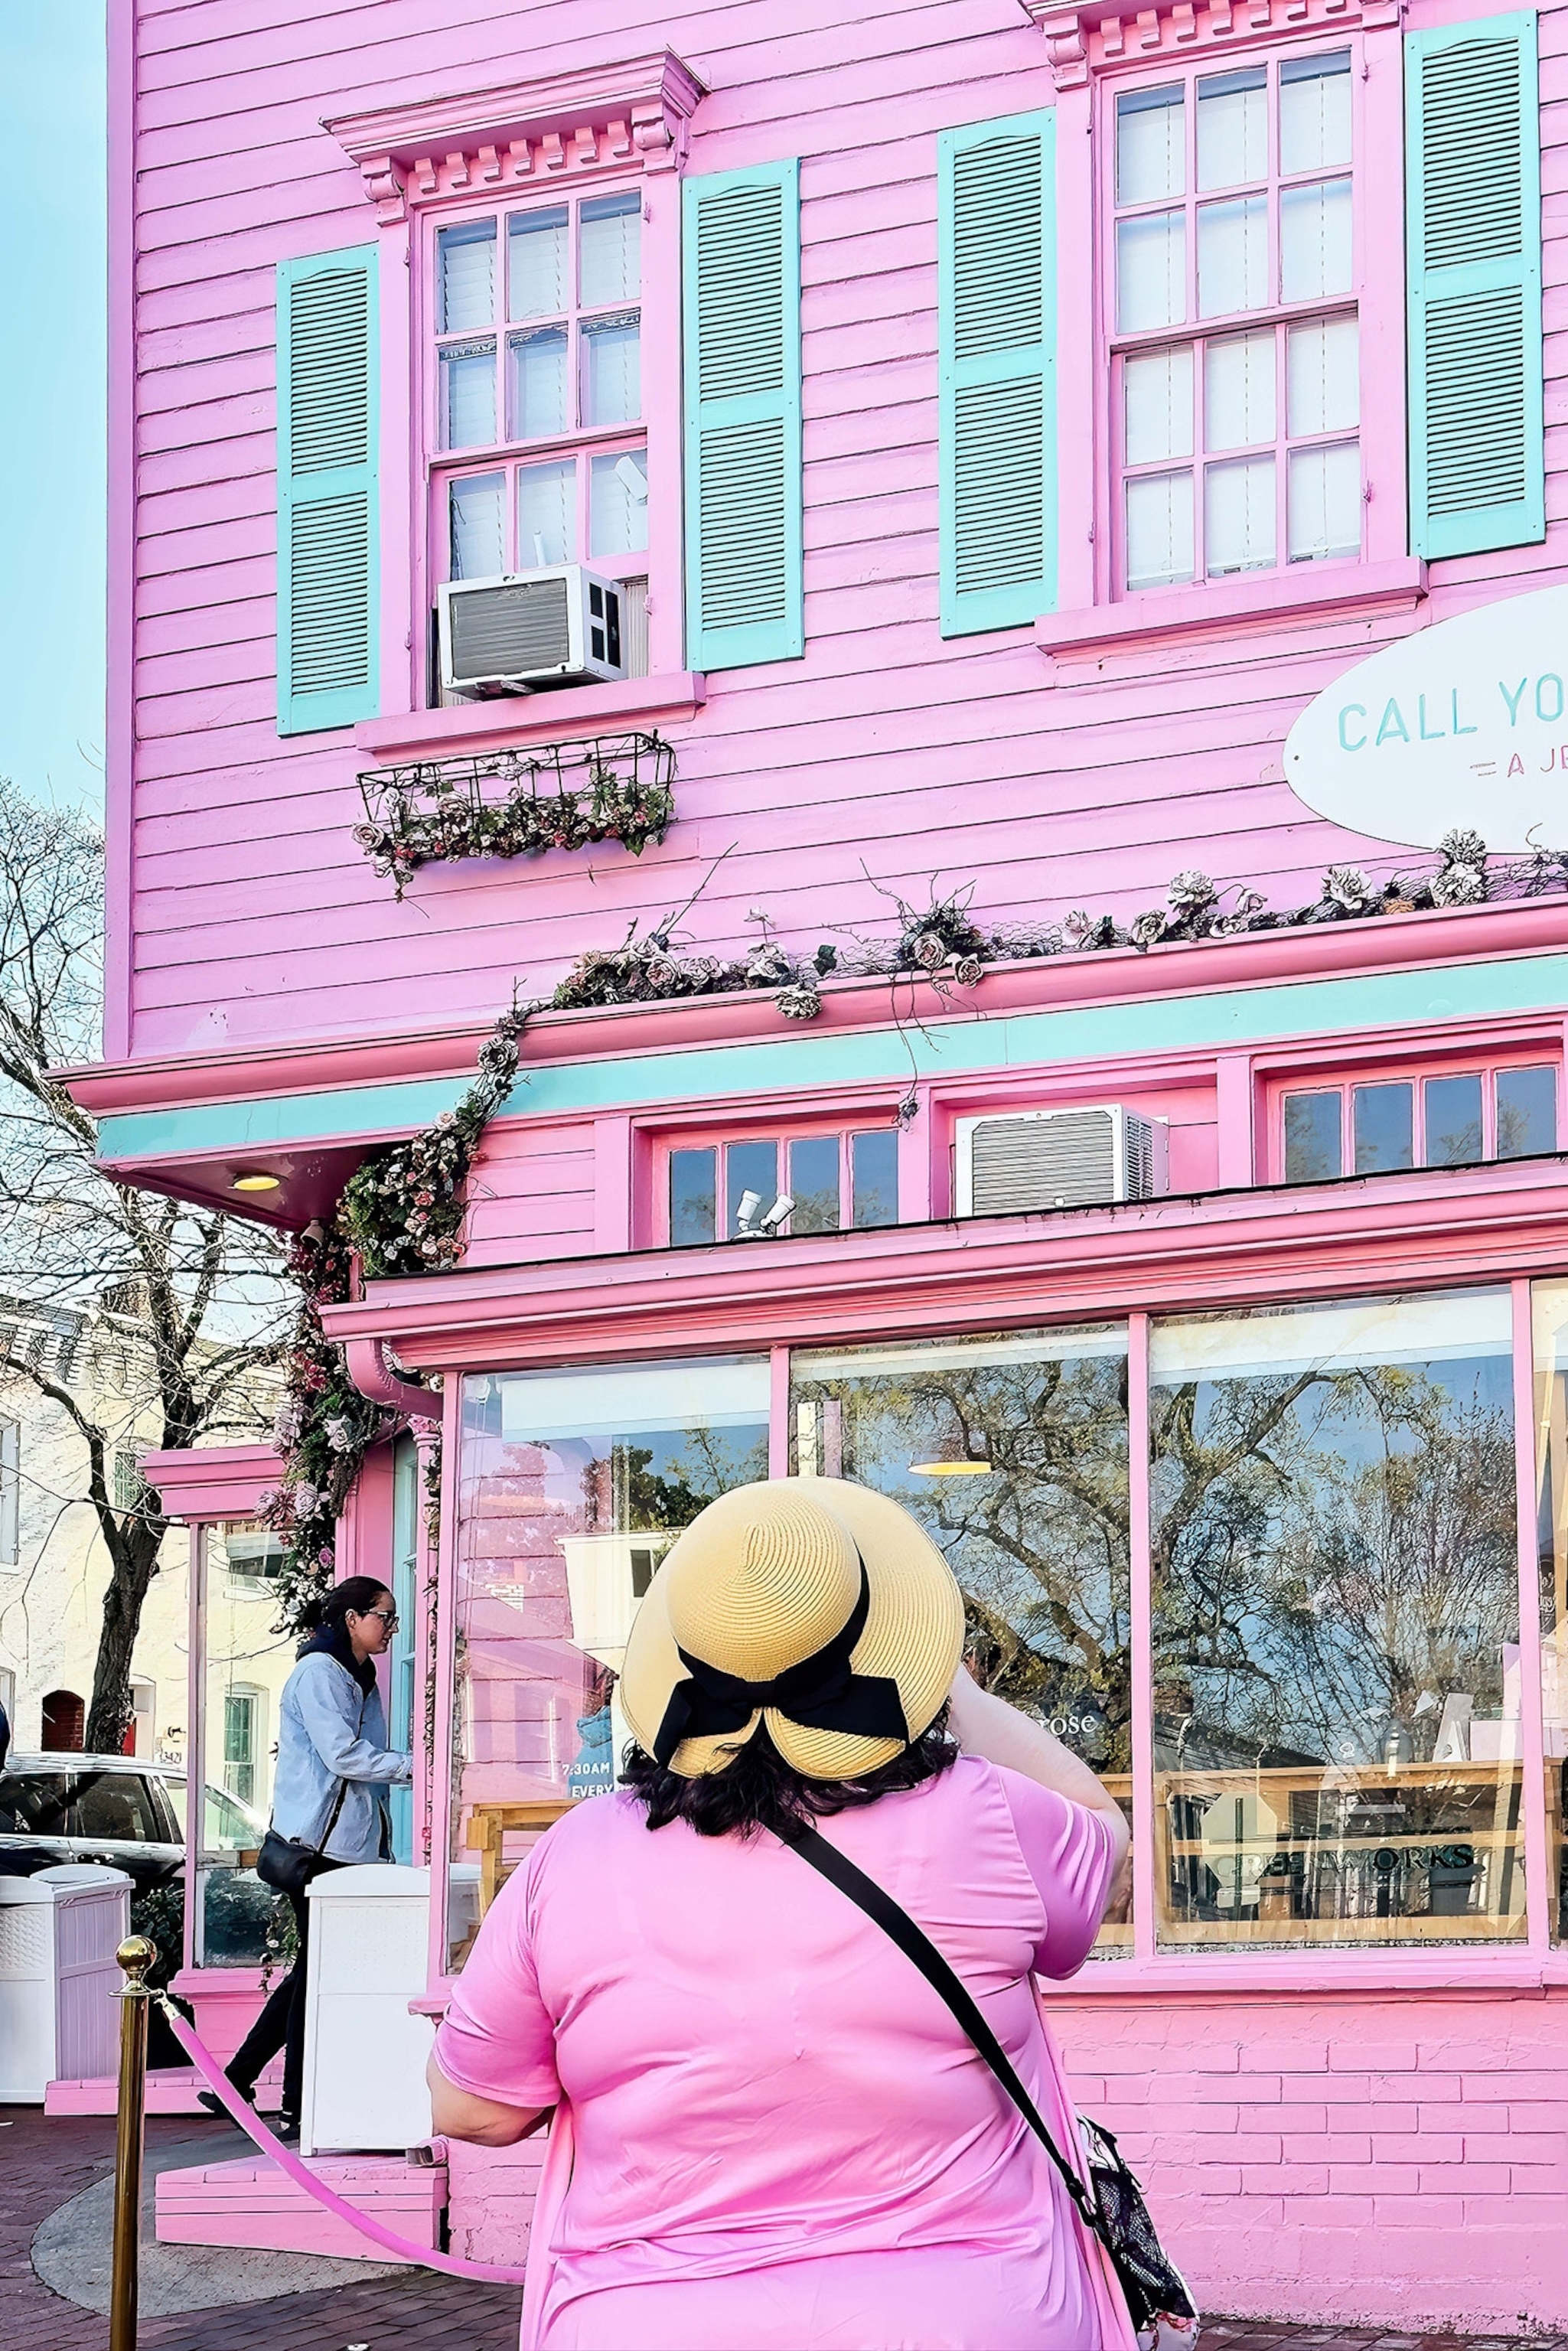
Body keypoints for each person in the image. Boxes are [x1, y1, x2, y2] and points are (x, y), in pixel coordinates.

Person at [429, 1479, 1135, 2351]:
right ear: (888, 1652)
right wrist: (950, 1696)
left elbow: (473, 2112)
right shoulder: (986, 1818)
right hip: (975, 2320)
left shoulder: (572, 1859)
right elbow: (1107, 1836)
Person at [200, 1575, 411, 2137]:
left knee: (311, 1973)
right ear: (351, 1619)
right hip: (315, 1847)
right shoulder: (319, 1673)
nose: (392, 1628)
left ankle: (237, 2081)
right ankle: (294, 2107)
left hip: (346, 1846)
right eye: (384, 1617)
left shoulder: (358, 1673)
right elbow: (344, 1756)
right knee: (317, 1975)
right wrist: (416, 1767)